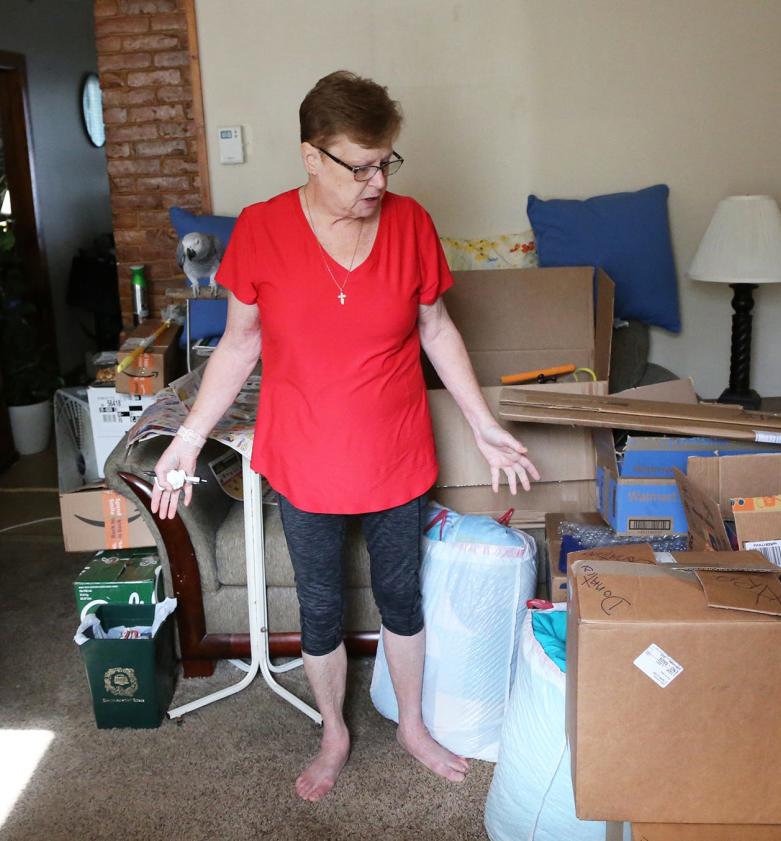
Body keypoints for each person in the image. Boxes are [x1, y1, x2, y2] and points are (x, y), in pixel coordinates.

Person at [149, 70, 540, 802]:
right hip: (303, 454)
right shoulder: (262, 230)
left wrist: (486, 426)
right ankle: (334, 730)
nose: (375, 181)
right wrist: (189, 438)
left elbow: (437, 328)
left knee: (402, 596)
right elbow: (238, 345)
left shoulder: (412, 222)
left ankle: (413, 726)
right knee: (321, 605)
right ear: (310, 156)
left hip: (395, 449)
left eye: (386, 160)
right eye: (359, 165)